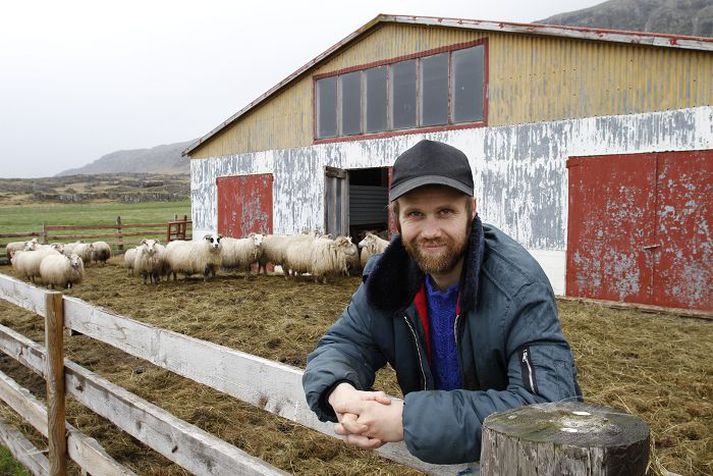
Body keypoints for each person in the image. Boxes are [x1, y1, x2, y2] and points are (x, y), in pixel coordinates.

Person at [302, 139, 581, 465]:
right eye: (415, 213)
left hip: (517, 464)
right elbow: (343, 342)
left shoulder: (518, 287)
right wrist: (340, 390)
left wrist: (408, 421)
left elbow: (549, 407)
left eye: (445, 211)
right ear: (397, 218)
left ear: (471, 211)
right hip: (451, 447)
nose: (430, 231)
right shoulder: (386, 278)